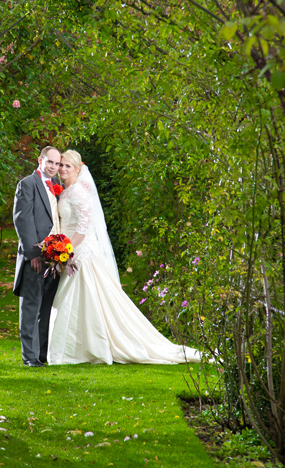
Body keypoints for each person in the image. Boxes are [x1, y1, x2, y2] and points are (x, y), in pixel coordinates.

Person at [47, 149, 200, 364]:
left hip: (80, 250)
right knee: (74, 298)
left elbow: (83, 226)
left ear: (78, 169)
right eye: (61, 165)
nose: (62, 169)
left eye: (67, 166)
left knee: (88, 296)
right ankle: (75, 346)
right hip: (70, 250)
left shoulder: (80, 191)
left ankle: (91, 346)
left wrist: (66, 248)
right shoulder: (65, 191)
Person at [12, 146, 62, 367]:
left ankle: (41, 355)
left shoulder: (55, 188)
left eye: (57, 163)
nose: (53, 166)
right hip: (36, 256)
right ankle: (29, 357)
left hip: (53, 258)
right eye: (50, 162)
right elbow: (23, 219)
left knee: (45, 308)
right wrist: (33, 253)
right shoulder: (27, 184)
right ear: (40, 160)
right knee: (31, 306)